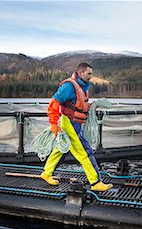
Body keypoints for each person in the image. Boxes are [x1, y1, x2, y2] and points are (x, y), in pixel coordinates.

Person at [40, 62, 113, 192]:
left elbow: (78, 106)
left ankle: (47, 173)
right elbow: (54, 103)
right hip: (70, 123)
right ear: (81, 73)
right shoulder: (69, 86)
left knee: (61, 150)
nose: (91, 76)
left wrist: (92, 106)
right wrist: (53, 124)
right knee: (85, 152)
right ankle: (95, 182)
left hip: (75, 123)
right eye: (89, 73)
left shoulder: (83, 87)